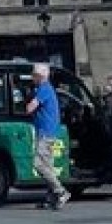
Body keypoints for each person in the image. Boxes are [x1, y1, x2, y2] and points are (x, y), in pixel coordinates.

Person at [26, 63, 69, 210]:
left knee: (39, 164)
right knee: (48, 166)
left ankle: (60, 191)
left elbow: (31, 106)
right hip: (50, 131)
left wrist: (27, 105)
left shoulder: (44, 89)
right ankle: (52, 198)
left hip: (45, 131)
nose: (32, 78)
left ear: (40, 76)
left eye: (33, 75)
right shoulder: (47, 88)